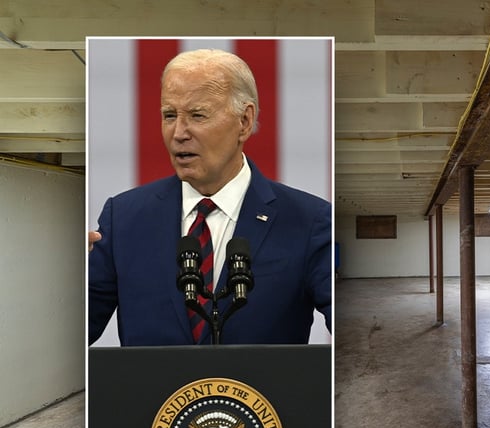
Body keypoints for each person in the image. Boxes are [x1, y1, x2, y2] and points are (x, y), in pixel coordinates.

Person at [89, 49, 331, 345]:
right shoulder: (123, 218)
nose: (178, 132)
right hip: (154, 392)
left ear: (244, 121)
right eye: (169, 115)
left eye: (197, 115)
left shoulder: (310, 222)